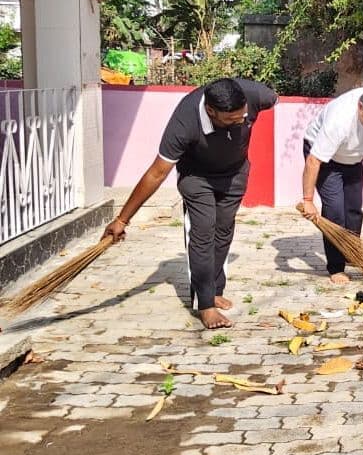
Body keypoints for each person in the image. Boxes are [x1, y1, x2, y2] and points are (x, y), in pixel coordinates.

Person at [103, 78, 278, 329]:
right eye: (231, 120)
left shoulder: (256, 95)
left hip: (235, 173)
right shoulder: (184, 122)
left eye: (243, 117)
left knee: (224, 229)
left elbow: (274, 98)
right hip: (197, 177)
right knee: (203, 230)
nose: (240, 122)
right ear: (210, 111)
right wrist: (122, 219)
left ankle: (215, 290)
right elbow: (156, 173)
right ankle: (205, 304)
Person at [300, 87, 363, 284]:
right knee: (335, 213)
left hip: (352, 159)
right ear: (360, 106)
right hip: (326, 160)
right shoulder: (339, 121)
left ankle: (351, 252)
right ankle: (336, 267)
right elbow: (313, 161)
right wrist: (307, 200)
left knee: (353, 210)